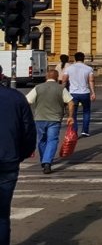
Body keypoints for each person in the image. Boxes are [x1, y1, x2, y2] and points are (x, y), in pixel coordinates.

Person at [0, 82, 36, 245]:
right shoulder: (16, 97)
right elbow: (28, 129)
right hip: (8, 160)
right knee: (1, 214)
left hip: (9, 159)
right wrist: (21, 154)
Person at [26, 70, 75, 174]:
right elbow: (71, 102)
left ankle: (44, 160)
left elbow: (27, 101)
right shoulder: (61, 89)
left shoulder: (37, 88)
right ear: (57, 78)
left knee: (42, 140)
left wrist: (28, 116)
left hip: (39, 118)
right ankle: (47, 162)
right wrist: (70, 116)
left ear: (46, 77)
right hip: (55, 119)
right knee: (52, 140)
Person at [62, 52, 96, 137]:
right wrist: (93, 92)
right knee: (86, 112)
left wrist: (62, 91)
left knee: (73, 113)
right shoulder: (88, 68)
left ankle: (74, 132)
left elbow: (64, 80)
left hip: (73, 93)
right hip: (85, 93)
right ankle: (85, 131)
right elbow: (91, 81)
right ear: (83, 58)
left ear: (75, 58)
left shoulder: (69, 68)